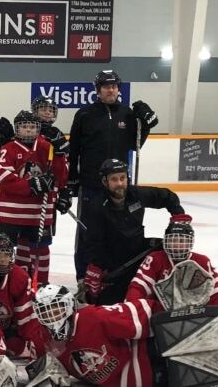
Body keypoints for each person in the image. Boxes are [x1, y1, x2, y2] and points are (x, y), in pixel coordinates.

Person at [68, 70, 159, 283]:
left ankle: (117, 274)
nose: (111, 90)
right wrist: (72, 179)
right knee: (87, 232)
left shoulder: (127, 114)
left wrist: (145, 125)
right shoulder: (84, 114)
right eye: (106, 86)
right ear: (98, 90)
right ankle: (83, 276)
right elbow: (74, 150)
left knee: (119, 230)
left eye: (115, 86)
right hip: (91, 184)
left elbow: (135, 145)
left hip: (118, 186)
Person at [82, 159, 185, 305]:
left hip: (139, 251)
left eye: (122, 178)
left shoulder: (136, 194)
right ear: (105, 182)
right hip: (115, 264)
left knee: (167, 246)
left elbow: (168, 197)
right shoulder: (97, 207)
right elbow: (92, 243)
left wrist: (178, 216)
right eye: (114, 179)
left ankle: (170, 285)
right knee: (112, 303)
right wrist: (95, 267)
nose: (119, 183)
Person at [0, 110, 68, 286]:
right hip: (9, 214)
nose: (28, 130)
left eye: (32, 127)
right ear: (16, 129)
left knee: (40, 250)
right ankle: (9, 284)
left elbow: (60, 176)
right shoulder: (7, 149)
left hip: (38, 212)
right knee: (3, 250)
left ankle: (41, 286)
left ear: (38, 129)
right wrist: (32, 185)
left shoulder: (47, 147)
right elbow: (6, 180)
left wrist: (59, 153)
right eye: (24, 127)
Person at [33, 284, 155, 386]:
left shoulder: (95, 318)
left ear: (69, 306)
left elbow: (148, 311)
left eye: (56, 311)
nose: (52, 318)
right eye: (45, 314)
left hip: (140, 369)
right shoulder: (44, 339)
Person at [126, 220, 218, 314]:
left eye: (181, 241)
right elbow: (138, 287)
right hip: (161, 315)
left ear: (190, 242)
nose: (176, 244)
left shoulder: (202, 261)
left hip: (196, 315)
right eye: (172, 240)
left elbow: (217, 293)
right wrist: (132, 308)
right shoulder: (155, 259)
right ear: (165, 241)